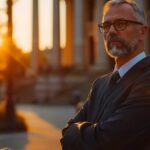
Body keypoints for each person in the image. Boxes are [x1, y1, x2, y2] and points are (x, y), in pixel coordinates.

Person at [60, 0, 150, 150]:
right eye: (106, 25)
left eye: (121, 23)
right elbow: (65, 134)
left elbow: (104, 143)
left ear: (142, 32)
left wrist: (76, 134)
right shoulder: (99, 84)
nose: (112, 31)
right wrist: (81, 134)